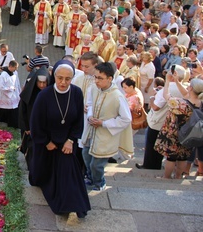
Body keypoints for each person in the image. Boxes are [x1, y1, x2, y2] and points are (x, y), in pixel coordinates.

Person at [30, 60, 91, 218]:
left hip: (66, 144)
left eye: (68, 79)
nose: (63, 82)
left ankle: (71, 206)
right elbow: (35, 123)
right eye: (60, 78)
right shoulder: (44, 95)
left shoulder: (76, 93)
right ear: (53, 75)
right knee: (45, 177)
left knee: (69, 174)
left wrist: (71, 140)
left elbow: (79, 121)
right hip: (47, 143)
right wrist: (46, 142)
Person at [81, 62, 133, 191]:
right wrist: (90, 116)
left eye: (100, 78)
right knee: (85, 155)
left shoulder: (117, 96)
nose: (96, 81)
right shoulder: (94, 88)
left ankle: (99, 182)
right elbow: (89, 103)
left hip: (105, 135)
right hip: (91, 131)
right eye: (96, 77)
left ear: (110, 79)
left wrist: (104, 123)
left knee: (96, 164)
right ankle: (91, 178)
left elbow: (126, 119)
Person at [154, 73, 203, 179]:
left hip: (175, 133)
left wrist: (167, 81)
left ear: (190, 88)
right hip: (190, 134)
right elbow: (187, 94)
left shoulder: (180, 104)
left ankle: (166, 177)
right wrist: (177, 81)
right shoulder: (200, 103)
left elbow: (166, 95)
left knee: (171, 158)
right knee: (183, 157)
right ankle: (178, 177)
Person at [18, 66, 50, 171]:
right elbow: (22, 111)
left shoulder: (50, 93)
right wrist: (27, 127)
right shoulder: (29, 92)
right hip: (30, 129)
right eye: (39, 82)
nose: (41, 85)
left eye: (44, 83)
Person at [0, 60, 21, 128]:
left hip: (13, 94)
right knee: (4, 109)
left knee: (13, 109)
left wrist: (19, 91)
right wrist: (10, 88)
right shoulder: (3, 75)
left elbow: (17, 82)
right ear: (10, 66)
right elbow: (0, 87)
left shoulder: (15, 73)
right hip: (4, 95)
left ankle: (13, 123)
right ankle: (0, 119)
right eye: (15, 68)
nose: (16, 69)